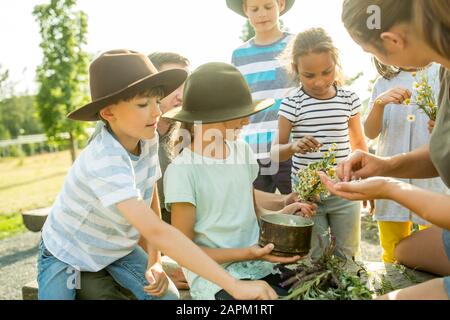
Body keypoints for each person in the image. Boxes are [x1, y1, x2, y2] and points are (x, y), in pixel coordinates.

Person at [37, 49, 278, 300]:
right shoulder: (104, 159)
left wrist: (155, 260)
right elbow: (158, 231)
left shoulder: (147, 137)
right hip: (69, 251)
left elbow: (150, 189)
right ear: (108, 113)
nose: (156, 112)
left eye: (156, 101)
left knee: (168, 298)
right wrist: (234, 285)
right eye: (143, 104)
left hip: (119, 249)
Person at [319, 0, 450, 300]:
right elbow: (442, 153)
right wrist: (385, 165)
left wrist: (389, 188)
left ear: (393, 40)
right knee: (404, 251)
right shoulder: (445, 70)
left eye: (372, 51)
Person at [162, 62, 317, 300]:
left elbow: (252, 211)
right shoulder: (182, 171)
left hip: (259, 265)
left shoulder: (241, 151)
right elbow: (185, 250)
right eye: (238, 115)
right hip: (215, 278)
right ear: (210, 117)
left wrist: (286, 213)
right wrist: (248, 253)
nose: (246, 122)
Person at [271, 27, 368, 260]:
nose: (319, 82)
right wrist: (293, 147)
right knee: (314, 255)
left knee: (348, 254)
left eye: (327, 72)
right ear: (296, 70)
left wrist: (366, 182)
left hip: (344, 190)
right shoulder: (292, 103)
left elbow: (360, 146)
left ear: (336, 62)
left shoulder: (349, 99)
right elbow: (276, 153)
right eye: (309, 75)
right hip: (307, 196)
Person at [364, 61, 446, 263]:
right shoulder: (383, 83)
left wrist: (442, 127)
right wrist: (379, 105)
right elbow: (370, 132)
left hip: (432, 183)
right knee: (391, 250)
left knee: (439, 249)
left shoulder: (440, 74)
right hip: (391, 181)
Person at [229, 0, 297, 194]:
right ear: (246, 10)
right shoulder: (239, 55)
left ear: (280, 5)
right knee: (258, 213)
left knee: (299, 208)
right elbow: (237, 102)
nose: (261, 14)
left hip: (289, 146)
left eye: (268, 7)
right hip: (252, 149)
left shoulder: (295, 45)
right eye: (255, 9)